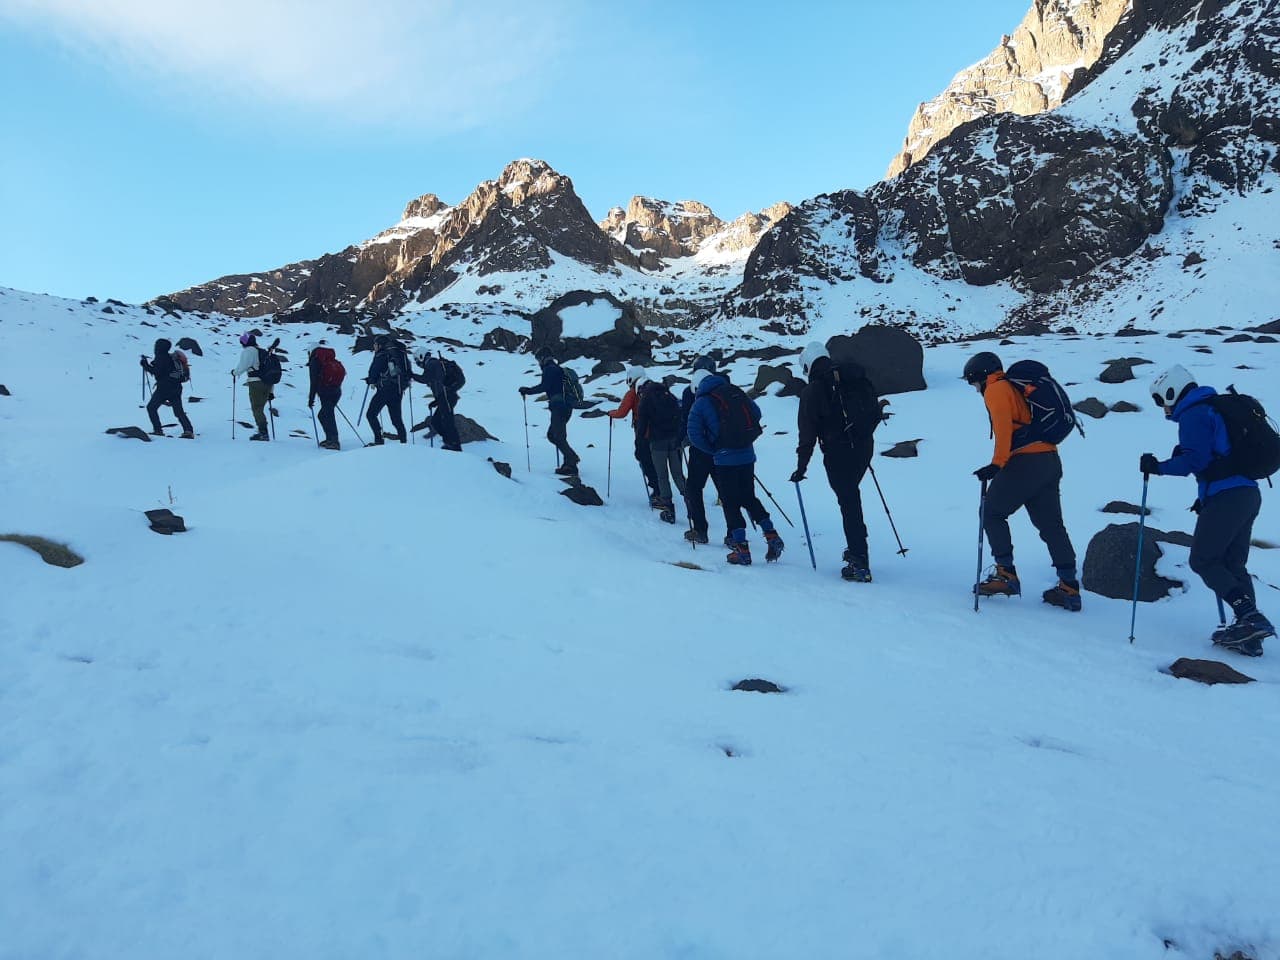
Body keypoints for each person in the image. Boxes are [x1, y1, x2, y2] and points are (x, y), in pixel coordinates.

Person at [1141, 365, 1274, 656]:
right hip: (1247, 494)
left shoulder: (1194, 413)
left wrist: (1158, 467)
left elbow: (1195, 462)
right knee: (1233, 564)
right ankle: (1250, 636)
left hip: (1227, 497)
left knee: (1203, 560)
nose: (1161, 405)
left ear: (1172, 390)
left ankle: (1249, 617)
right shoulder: (1213, 408)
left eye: (1160, 398)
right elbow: (1214, 459)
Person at [964, 351, 1080, 610]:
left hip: (1025, 462)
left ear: (982, 376)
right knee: (1052, 525)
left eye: (973, 383)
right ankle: (1069, 587)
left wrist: (997, 464)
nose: (974, 389)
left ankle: (1006, 575)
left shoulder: (996, 389)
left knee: (991, 513)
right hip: (1049, 459)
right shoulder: (1015, 387)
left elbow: (1004, 428)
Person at [789, 342, 879, 582]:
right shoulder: (853, 378)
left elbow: (807, 434)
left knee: (849, 502)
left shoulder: (813, 391)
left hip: (838, 453)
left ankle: (859, 559)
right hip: (864, 447)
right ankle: (857, 549)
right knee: (851, 498)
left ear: (808, 365)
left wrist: (801, 467)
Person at [687, 368, 783, 565]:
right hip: (747, 455)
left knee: (730, 502)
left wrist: (713, 449)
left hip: (725, 458)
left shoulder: (701, 402)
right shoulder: (735, 392)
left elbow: (694, 435)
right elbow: (756, 412)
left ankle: (741, 550)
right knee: (748, 497)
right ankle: (771, 534)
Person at [680, 355, 730, 545]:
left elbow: (686, 421)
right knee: (725, 491)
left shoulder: (689, 392)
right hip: (724, 449)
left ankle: (700, 530)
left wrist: (679, 440)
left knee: (693, 488)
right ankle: (734, 533)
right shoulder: (726, 389)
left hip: (700, 450)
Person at [518, 348, 580, 475]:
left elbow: (544, 386)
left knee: (557, 436)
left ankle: (571, 463)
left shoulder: (549, 369)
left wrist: (527, 390)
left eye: (538, 359)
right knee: (554, 435)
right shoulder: (557, 369)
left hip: (559, 407)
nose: (538, 363)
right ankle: (569, 461)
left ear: (543, 358)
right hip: (565, 406)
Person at [607, 366, 662, 505]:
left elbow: (622, 412)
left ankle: (658, 491)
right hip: (660, 431)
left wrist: (610, 413)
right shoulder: (656, 388)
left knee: (645, 459)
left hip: (643, 432)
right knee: (657, 461)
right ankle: (663, 489)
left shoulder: (633, 392)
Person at [636, 376, 687, 523]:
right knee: (678, 473)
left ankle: (668, 509)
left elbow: (642, 425)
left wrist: (640, 445)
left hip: (657, 442)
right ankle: (691, 502)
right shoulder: (668, 395)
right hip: (674, 440)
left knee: (662, 475)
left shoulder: (646, 399)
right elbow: (679, 414)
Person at [140, 338, 194, 438]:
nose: (155, 347)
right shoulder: (171, 358)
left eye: (156, 345)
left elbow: (156, 372)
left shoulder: (161, 357)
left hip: (163, 389)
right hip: (176, 388)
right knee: (179, 412)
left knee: (151, 408)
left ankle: (158, 430)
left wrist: (145, 364)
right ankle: (188, 430)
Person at [412, 350, 462, 452]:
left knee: (448, 421)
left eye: (417, 360)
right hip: (445, 397)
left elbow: (425, 379)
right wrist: (437, 401)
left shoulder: (431, 364)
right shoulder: (433, 364)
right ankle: (449, 442)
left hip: (447, 397)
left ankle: (455, 446)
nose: (418, 364)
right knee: (436, 422)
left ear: (422, 356)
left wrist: (411, 375)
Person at [364, 335, 409, 445]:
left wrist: (370, 380)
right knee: (396, 418)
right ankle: (404, 442)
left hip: (384, 390)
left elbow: (373, 372)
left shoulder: (381, 355)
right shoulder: (396, 355)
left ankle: (378, 440)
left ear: (380, 345)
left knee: (371, 414)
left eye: (375, 344)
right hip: (397, 389)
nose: (374, 346)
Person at [231, 332, 272, 441]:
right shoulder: (261, 352)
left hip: (255, 382)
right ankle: (263, 431)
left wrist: (235, 373)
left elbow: (243, 365)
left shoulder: (249, 351)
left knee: (257, 408)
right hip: (267, 383)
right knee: (260, 408)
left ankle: (263, 433)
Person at [307, 339, 343, 450]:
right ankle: (330, 439)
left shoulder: (315, 361)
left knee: (328, 415)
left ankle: (334, 441)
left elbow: (313, 381)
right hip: (336, 390)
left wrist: (311, 398)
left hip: (325, 391)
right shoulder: (329, 359)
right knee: (324, 415)